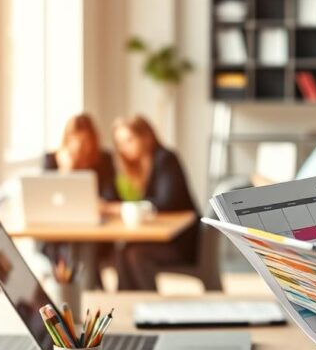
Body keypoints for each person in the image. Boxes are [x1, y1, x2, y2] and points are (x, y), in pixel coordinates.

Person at [110, 115, 200, 290]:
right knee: (122, 251)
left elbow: (166, 202)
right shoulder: (137, 168)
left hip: (181, 239)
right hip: (158, 237)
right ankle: (126, 304)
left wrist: (120, 208)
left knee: (135, 254)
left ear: (146, 136)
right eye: (120, 143)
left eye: (129, 140)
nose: (124, 148)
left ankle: (148, 303)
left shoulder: (165, 159)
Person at [41, 114, 119, 287]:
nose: (79, 146)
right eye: (74, 140)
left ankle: (82, 289)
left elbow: (111, 197)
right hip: (57, 231)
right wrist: (65, 171)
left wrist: (99, 204)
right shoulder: (51, 160)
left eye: (85, 141)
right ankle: (75, 289)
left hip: (94, 231)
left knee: (84, 243)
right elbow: (46, 199)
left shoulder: (103, 159)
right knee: (70, 246)